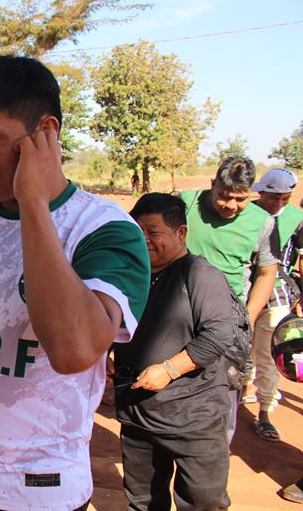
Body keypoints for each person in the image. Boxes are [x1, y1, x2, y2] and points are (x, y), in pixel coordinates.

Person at [0, 55, 150, 511]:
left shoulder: (104, 231)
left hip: (31, 493)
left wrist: (32, 202)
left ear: (45, 133)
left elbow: (74, 350)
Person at [113, 193, 232, 511]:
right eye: (137, 232)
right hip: (138, 415)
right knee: (143, 500)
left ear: (180, 233)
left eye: (153, 232)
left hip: (194, 418)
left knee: (202, 502)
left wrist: (167, 370)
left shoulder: (199, 275)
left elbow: (219, 334)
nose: (145, 241)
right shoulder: (131, 276)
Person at [179, 156, 278, 442]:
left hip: (228, 319)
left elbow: (266, 274)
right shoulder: (185, 204)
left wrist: (246, 318)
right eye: (223, 196)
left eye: (240, 199)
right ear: (212, 185)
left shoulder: (262, 222)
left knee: (223, 397)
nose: (230, 205)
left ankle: (214, 464)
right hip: (178, 311)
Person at [244, 168, 303, 442]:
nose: (278, 204)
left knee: (270, 350)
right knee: (242, 343)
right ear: (261, 192)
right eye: (273, 197)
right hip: (244, 286)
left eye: (285, 198)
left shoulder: (297, 220)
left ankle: (265, 410)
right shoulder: (247, 213)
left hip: (279, 289)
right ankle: (241, 389)